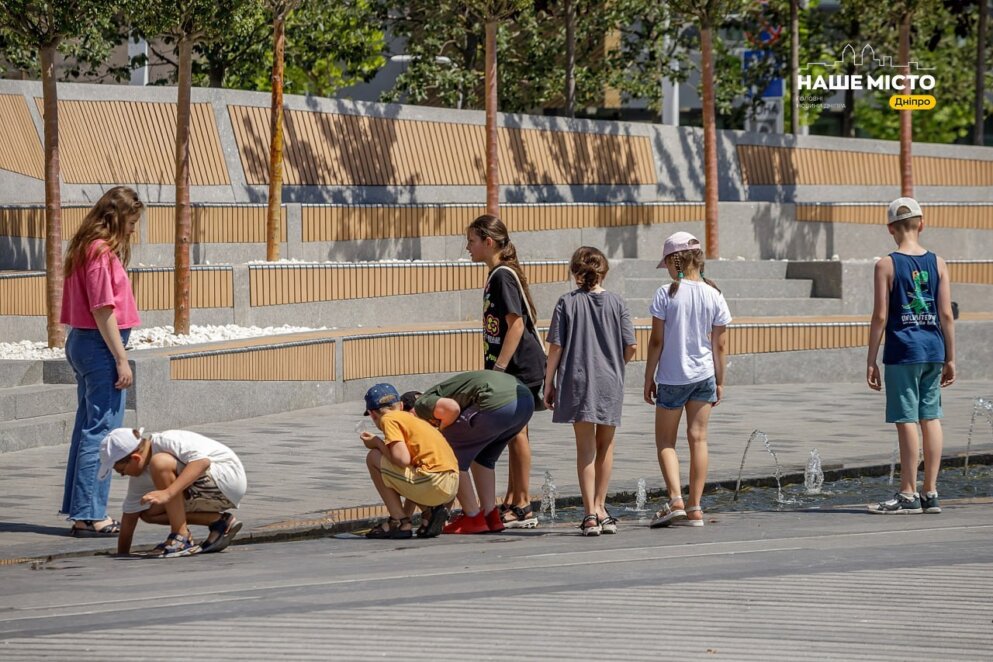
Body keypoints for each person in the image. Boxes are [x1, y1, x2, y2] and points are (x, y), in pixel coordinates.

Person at [61, 187, 144, 537]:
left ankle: (82, 510)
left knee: (89, 429)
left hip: (87, 343)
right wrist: (121, 360)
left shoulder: (86, 248)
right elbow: (102, 309)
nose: (133, 230)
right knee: (102, 433)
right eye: (131, 222)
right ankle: (90, 514)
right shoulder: (99, 251)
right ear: (116, 218)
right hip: (99, 346)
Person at [867, 198, 955, 514]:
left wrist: (871, 359)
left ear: (890, 228)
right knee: (930, 417)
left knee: (906, 419)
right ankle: (930, 492)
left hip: (903, 351)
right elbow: (946, 313)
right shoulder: (939, 263)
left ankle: (907, 493)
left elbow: (880, 316)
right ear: (922, 223)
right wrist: (951, 356)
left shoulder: (886, 265)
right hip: (933, 348)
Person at [544, 247, 637, 536]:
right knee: (605, 446)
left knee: (585, 449)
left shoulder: (566, 303)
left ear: (575, 272)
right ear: (603, 271)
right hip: (610, 382)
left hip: (578, 380)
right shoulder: (617, 303)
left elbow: (556, 347)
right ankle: (600, 506)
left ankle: (589, 516)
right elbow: (631, 346)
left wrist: (549, 382)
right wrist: (614, 366)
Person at [643, 232, 730, 528]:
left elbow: (656, 342)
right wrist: (720, 381)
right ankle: (695, 508)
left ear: (672, 261)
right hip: (704, 375)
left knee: (666, 442)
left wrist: (648, 377)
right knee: (699, 440)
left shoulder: (665, 293)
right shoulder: (715, 293)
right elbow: (719, 345)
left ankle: (675, 500)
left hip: (671, 376)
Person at [466, 214, 546, 529]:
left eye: (472, 241)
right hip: (513, 367)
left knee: (518, 433)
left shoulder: (501, 275)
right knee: (514, 433)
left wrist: (498, 369)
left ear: (488, 242)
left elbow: (516, 326)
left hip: (518, 368)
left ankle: (524, 503)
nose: (468, 248)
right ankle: (513, 499)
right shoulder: (500, 274)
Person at [413, 370, 535, 534]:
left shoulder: (421, 404)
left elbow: (452, 408)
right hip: (524, 403)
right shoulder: (443, 391)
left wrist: (441, 431)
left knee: (450, 454)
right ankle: (490, 515)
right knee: (483, 458)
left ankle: (473, 517)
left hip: (496, 402)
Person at [99, 427, 247, 557]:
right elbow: (130, 517)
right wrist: (122, 555)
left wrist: (168, 493)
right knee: (148, 513)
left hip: (227, 478)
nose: (122, 475)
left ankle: (181, 536)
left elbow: (202, 463)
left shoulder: (166, 440)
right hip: (210, 491)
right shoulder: (139, 477)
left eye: (120, 470)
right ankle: (219, 522)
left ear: (136, 458)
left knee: (160, 463)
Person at [359, 384, 460, 539]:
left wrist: (377, 443)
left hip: (433, 482)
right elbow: (410, 464)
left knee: (373, 457)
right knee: (408, 471)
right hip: (451, 484)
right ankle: (428, 514)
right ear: (400, 405)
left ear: (373, 414)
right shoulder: (412, 420)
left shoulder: (388, 419)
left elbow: (402, 460)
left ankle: (400, 521)